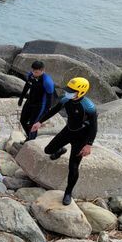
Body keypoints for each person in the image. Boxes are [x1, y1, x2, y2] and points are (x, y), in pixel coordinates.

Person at [30, 77, 97, 205]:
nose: (68, 92)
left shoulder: (89, 107)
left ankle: (68, 192)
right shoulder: (66, 99)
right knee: (48, 150)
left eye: (72, 90)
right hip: (68, 131)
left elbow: (94, 128)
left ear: (81, 92)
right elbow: (53, 110)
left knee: (73, 166)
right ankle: (61, 150)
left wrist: (89, 145)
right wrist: (39, 122)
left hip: (81, 138)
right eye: (68, 89)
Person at [18, 61, 55, 141]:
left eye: (36, 72)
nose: (34, 73)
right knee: (23, 120)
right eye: (33, 71)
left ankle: (30, 141)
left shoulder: (47, 82)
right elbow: (27, 86)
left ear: (42, 70)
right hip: (30, 101)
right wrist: (21, 98)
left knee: (33, 125)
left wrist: (45, 112)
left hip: (40, 105)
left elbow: (50, 99)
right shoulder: (31, 75)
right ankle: (30, 138)